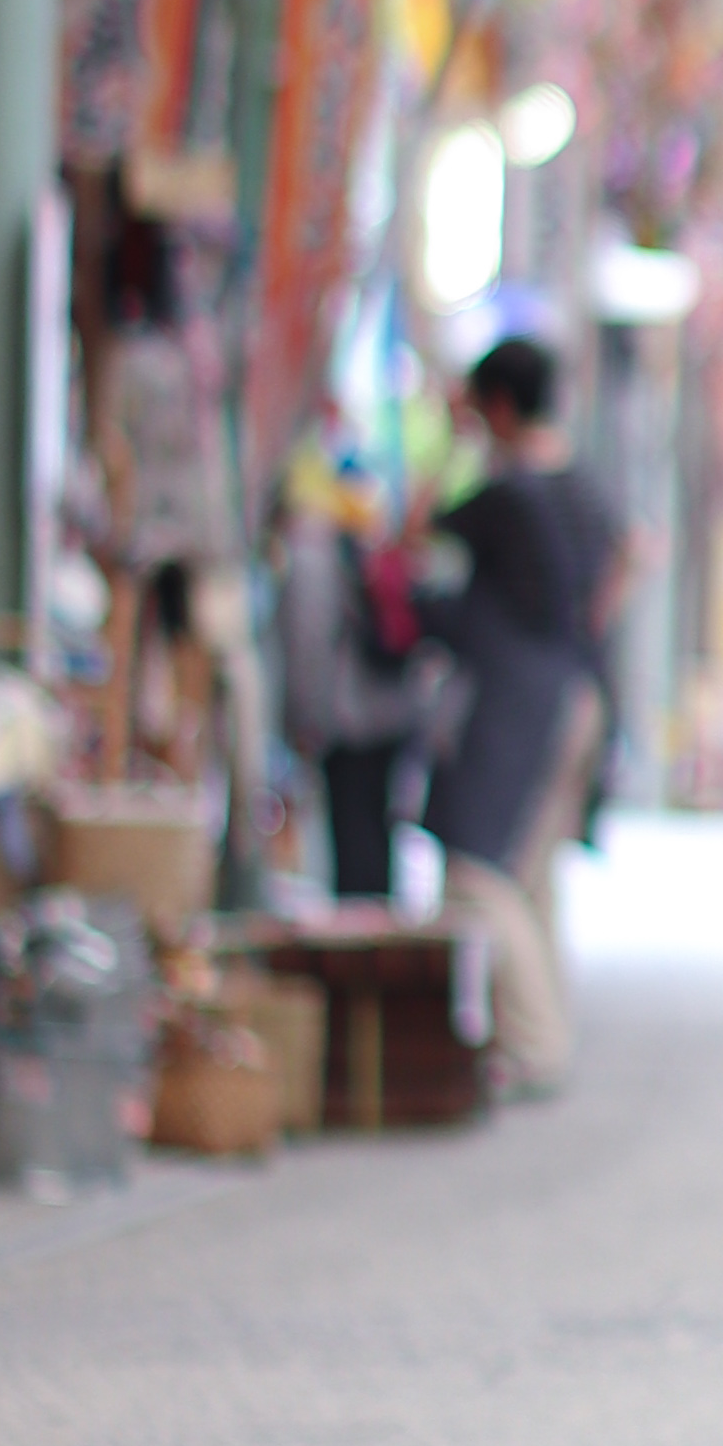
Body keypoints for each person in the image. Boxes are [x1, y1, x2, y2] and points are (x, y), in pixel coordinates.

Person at [419, 336, 629, 1092]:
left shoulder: (512, 492)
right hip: (579, 690)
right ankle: (541, 1037)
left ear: (496, 406)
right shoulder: (581, 483)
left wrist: (448, 445)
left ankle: (537, 1046)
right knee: (533, 874)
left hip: (527, 702)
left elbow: (421, 532)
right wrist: (587, 634)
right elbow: (630, 554)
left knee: (479, 871)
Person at [270, 447, 425, 901]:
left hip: (348, 716)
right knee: (377, 834)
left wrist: (302, 719)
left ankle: (364, 950)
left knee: (353, 840)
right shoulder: (364, 539)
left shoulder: (309, 549)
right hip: (391, 707)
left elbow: (308, 640)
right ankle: (380, 941)